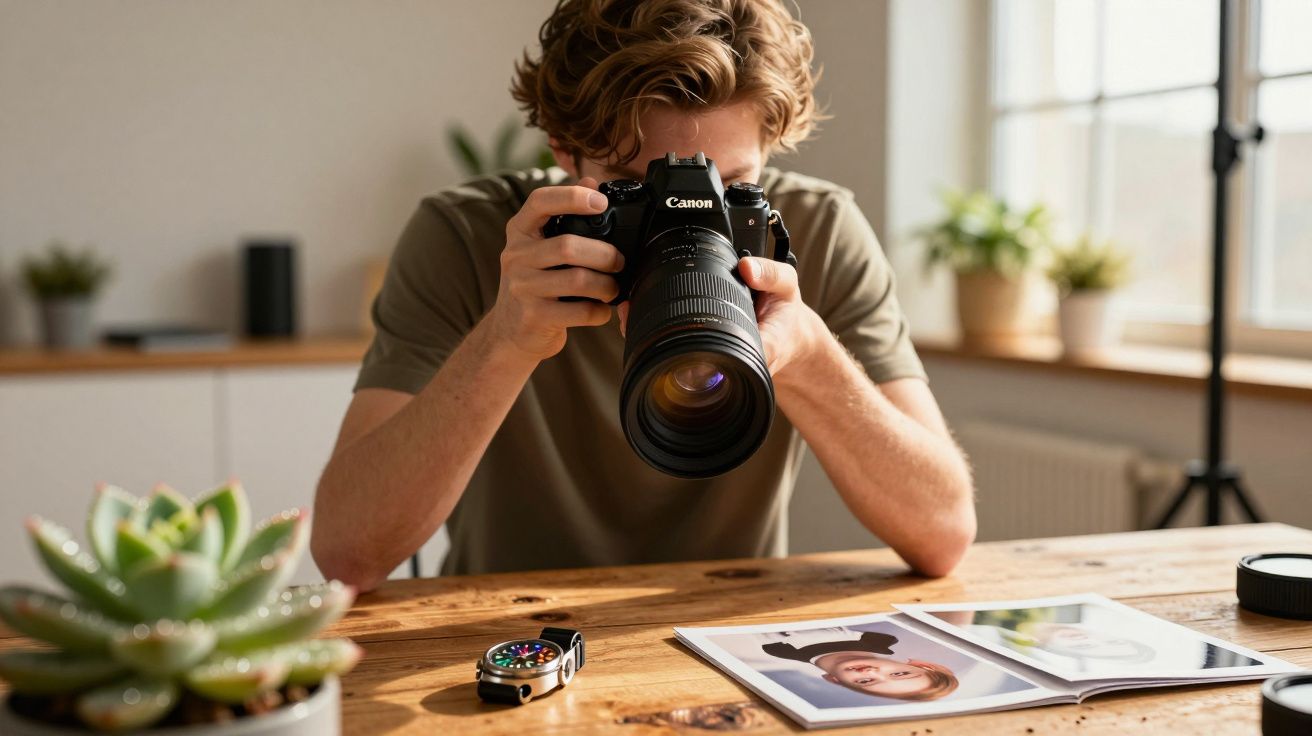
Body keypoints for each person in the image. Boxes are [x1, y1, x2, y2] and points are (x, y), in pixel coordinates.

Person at [311, 0, 975, 591]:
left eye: (729, 188)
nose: (686, 216)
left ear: (769, 150)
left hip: (730, 633)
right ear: (563, 150)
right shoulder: (470, 237)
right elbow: (346, 554)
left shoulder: (815, 231)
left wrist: (808, 357)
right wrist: (505, 340)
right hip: (508, 638)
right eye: (638, 189)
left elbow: (944, 533)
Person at [761, 627, 959, 701]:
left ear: (835, 681)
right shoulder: (879, 633)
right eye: (899, 674)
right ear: (920, 664)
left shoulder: (773, 658)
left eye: (865, 681)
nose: (870, 672)